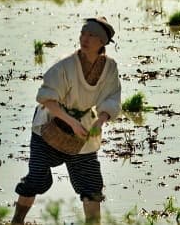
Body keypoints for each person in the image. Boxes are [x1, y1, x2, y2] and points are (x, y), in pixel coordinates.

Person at [11, 17, 121, 225]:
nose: (84, 39)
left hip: (84, 132)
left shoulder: (110, 68)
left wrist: (101, 121)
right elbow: (47, 99)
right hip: (48, 126)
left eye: (91, 35)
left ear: (102, 43)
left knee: (91, 187)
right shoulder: (65, 65)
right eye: (83, 33)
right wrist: (70, 121)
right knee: (35, 179)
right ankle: (16, 221)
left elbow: (112, 98)